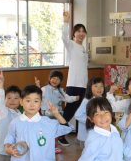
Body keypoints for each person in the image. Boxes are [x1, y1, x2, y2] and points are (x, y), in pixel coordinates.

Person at [35, 70, 79, 153]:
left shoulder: (60, 91)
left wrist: (76, 98)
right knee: (46, 132)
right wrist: (37, 87)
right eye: (53, 78)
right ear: (49, 78)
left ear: (60, 81)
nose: (55, 80)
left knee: (55, 131)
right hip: (46, 115)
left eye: (58, 79)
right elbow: (37, 96)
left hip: (56, 115)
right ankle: (45, 147)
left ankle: (54, 146)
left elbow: (67, 99)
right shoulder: (44, 89)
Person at [61, 11, 88, 146]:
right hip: (73, 84)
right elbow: (63, 37)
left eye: (83, 31)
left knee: (75, 110)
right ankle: (59, 134)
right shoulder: (71, 44)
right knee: (69, 110)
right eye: (78, 31)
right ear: (74, 33)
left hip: (82, 85)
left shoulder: (83, 48)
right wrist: (66, 22)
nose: (81, 33)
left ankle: (63, 133)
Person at [75, 77, 105, 144]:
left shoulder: (102, 100)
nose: (99, 89)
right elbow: (78, 115)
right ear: (90, 87)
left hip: (97, 133)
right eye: (96, 86)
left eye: (101, 86)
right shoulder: (87, 101)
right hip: (86, 135)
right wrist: (92, 121)